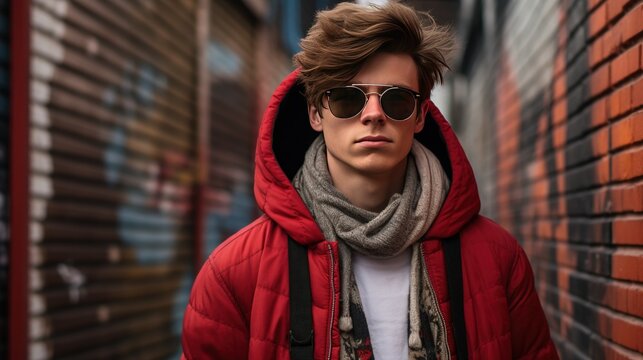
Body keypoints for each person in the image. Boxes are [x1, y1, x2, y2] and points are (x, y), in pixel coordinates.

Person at [181, 2, 558, 359]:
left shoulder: (497, 259)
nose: (374, 114)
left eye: (396, 100)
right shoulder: (234, 273)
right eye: (348, 100)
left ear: (421, 114)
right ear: (316, 113)